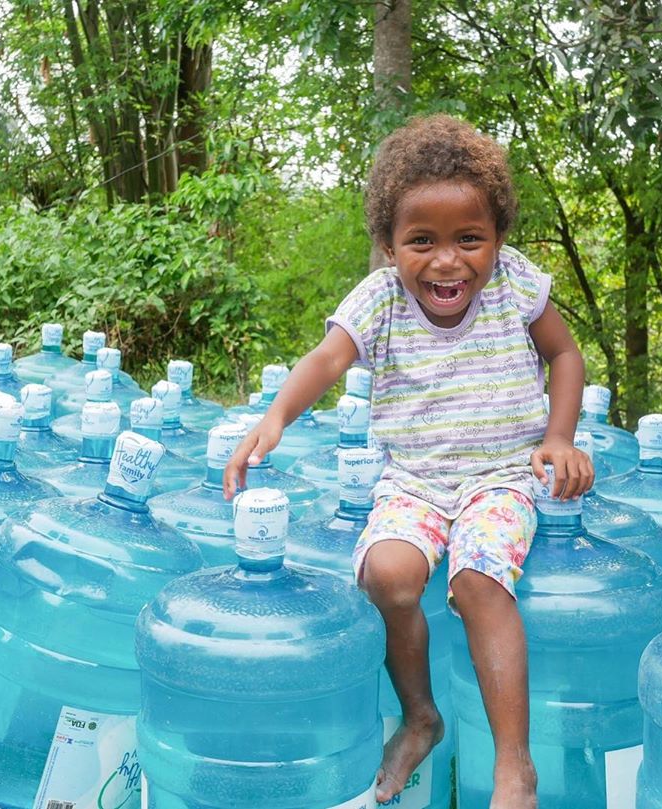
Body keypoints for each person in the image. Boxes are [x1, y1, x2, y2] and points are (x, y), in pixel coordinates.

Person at [223, 114, 593, 808]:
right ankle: (421, 714)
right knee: (386, 574)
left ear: (499, 239)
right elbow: (328, 357)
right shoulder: (382, 297)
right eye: (421, 241)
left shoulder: (516, 284)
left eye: (469, 240)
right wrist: (273, 416)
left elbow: (565, 355)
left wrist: (560, 435)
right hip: (414, 480)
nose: (447, 261)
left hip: (501, 474)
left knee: (481, 579)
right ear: (389, 246)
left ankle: (515, 763)